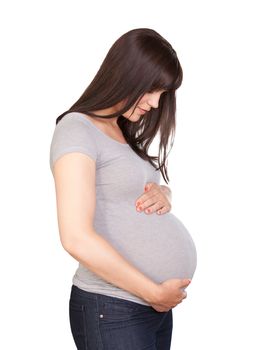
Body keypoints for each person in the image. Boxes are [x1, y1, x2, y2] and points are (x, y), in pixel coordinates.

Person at [49, 28, 197, 350]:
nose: (156, 103)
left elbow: (128, 192)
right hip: (113, 308)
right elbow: (75, 236)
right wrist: (152, 292)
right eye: (152, 90)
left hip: (147, 309)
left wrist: (164, 195)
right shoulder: (76, 130)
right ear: (127, 74)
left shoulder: (121, 132)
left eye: (163, 93)